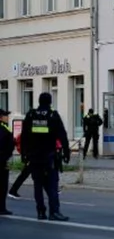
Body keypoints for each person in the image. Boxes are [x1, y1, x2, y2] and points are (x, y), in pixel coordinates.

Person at [21, 92, 70, 221]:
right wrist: (66, 152)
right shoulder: (52, 115)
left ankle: (40, 212)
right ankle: (54, 212)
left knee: (38, 185)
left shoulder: (31, 115)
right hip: (49, 156)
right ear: (50, 102)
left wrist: (24, 154)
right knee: (52, 184)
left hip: (34, 156)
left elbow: (24, 136)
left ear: (39, 101)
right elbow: (62, 135)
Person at [0, 109, 14, 216]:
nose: (7, 117)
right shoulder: (4, 129)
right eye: (5, 115)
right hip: (2, 161)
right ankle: (2, 208)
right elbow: (7, 146)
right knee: (3, 185)